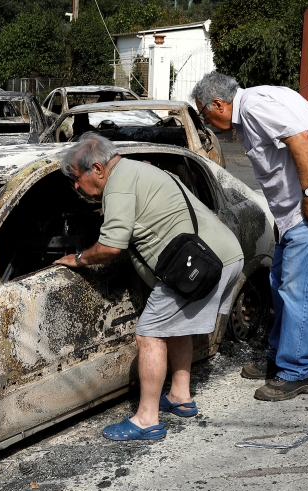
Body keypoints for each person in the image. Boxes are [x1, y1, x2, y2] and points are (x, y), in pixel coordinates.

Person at [54, 133, 244, 440]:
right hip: (221, 255)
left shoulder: (118, 186)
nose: (76, 187)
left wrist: (79, 258)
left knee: (149, 334)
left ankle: (146, 419)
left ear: (98, 169)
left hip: (198, 266)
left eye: (77, 178)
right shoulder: (138, 169)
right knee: (174, 328)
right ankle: (180, 396)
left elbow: (110, 247)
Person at [190, 72, 308, 401]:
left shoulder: (253, 106)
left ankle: (298, 372)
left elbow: (300, 138)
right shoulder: (255, 104)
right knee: (280, 281)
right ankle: (281, 357)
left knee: (300, 288)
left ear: (219, 105)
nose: (204, 120)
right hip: (298, 208)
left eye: (203, 112)